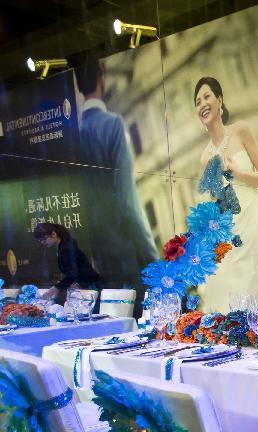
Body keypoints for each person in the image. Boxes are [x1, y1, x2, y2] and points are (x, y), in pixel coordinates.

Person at [194, 76, 258, 312]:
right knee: (232, 285)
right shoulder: (205, 158)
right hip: (231, 225)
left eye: (207, 97)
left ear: (220, 100)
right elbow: (213, 201)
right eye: (197, 102)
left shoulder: (240, 131)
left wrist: (238, 173)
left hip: (257, 220)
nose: (202, 104)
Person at [72, 52, 157, 310]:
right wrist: (152, 258)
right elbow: (127, 199)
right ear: (102, 75)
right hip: (126, 254)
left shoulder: (74, 137)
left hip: (97, 259)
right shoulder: (113, 125)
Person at [34, 222, 104, 306]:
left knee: (89, 315)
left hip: (90, 287)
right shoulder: (63, 246)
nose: (42, 242)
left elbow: (73, 273)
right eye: (40, 240)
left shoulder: (66, 248)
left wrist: (55, 288)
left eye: (44, 239)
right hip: (86, 285)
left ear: (53, 234)